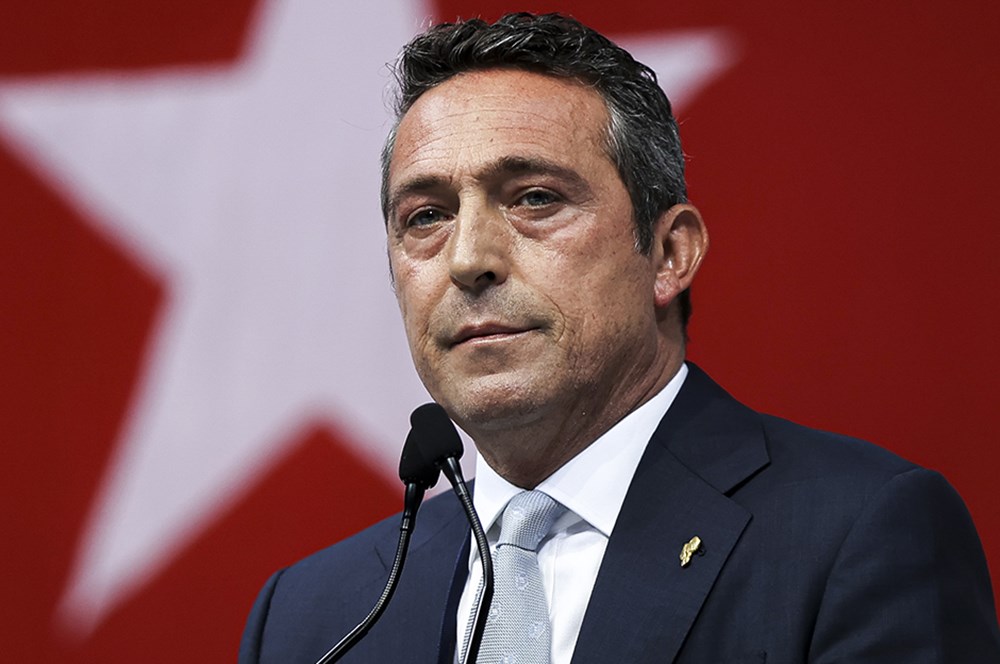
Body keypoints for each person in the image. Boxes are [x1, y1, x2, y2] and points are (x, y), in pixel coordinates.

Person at [239, 13, 1000, 663]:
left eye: (535, 198)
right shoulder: (313, 616)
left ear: (668, 254)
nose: (468, 259)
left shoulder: (857, 538)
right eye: (426, 216)